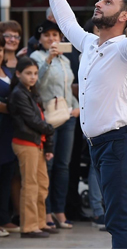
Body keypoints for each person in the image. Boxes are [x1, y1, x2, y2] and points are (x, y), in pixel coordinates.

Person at [40, 0, 127, 247]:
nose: (98, 3)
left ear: (123, 17)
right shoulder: (90, 44)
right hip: (99, 145)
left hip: (119, 143)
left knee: (118, 222)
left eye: (107, 2)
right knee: (123, 217)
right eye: (99, 0)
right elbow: (66, 20)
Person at [29, 20, 80, 230]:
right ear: (40, 39)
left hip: (68, 116)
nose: (52, 39)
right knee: (47, 167)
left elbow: (68, 88)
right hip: (47, 118)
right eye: (47, 35)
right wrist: (48, 58)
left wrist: (77, 107)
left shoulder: (65, 60)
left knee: (63, 166)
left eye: (55, 35)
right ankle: (46, 211)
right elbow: (37, 84)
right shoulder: (36, 57)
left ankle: (60, 210)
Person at [8, 57, 57, 238]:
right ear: (19, 73)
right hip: (25, 143)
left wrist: (48, 138)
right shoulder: (18, 94)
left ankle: (40, 223)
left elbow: (39, 119)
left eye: (35, 73)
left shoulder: (31, 92)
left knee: (42, 184)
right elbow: (32, 121)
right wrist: (51, 129)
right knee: (30, 185)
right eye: (28, 73)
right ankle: (28, 227)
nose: (33, 77)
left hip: (36, 143)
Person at [0, 35, 19, 236]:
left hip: (8, 131)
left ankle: (4, 218)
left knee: (7, 174)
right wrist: (11, 108)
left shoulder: (6, 71)